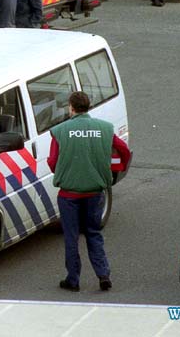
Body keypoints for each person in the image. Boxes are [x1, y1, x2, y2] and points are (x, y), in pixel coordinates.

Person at [48, 91, 131, 292]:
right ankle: (103, 275)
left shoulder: (60, 130)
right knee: (94, 233)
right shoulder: (104, 129)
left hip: (69, 196)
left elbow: (52, 162)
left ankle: (73, 280)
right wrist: (114, 170)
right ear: (89, 107)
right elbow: (124, 151)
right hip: (95, 193)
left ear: (71, 107)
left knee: (71, 237)